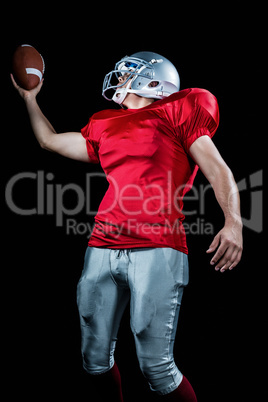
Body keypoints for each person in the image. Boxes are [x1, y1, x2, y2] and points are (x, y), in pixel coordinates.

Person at [11, 51, 243, 401]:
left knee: (157, 368)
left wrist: (234, 223)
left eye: (128, 72)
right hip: (101, 245)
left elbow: (219, 169)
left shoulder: (179, 110)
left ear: (153, 80)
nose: (118, 77)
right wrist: (30, 99)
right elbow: (50, 141)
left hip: (158, 246)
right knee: (93, 360)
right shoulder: (104, 122)